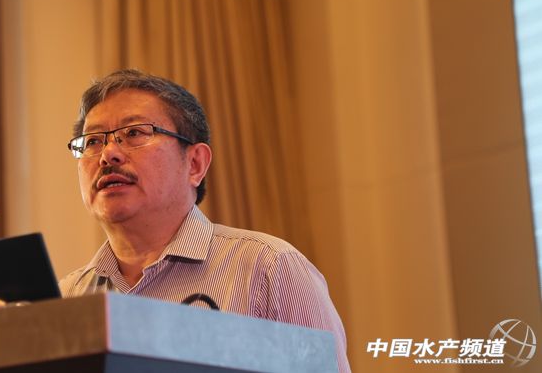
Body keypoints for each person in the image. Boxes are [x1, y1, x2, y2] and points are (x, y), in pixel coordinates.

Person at [59, 69, 350, 372]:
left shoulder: (269, 269)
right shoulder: (66, 299)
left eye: (134, 133)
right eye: (92, 141)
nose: (108, 154)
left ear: (195, 164)